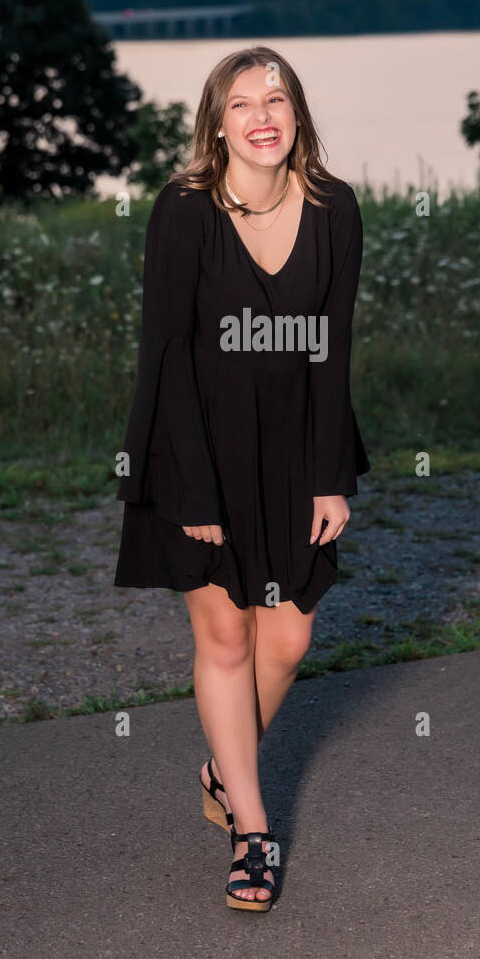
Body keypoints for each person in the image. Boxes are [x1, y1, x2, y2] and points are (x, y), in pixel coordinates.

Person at [114, 45, 370, 910]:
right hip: (198, 449)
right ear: (216, 123)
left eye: (277, 98)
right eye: (241, 102)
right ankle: (252, 831)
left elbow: (333, 350)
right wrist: (188, 490)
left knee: (290, 640)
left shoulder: (335, 209)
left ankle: (224, 767)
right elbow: (167, 353)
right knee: (226, 641)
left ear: (297, 113)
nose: (262, 114)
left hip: (298, 448)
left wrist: (331, 474)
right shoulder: (184, 210)